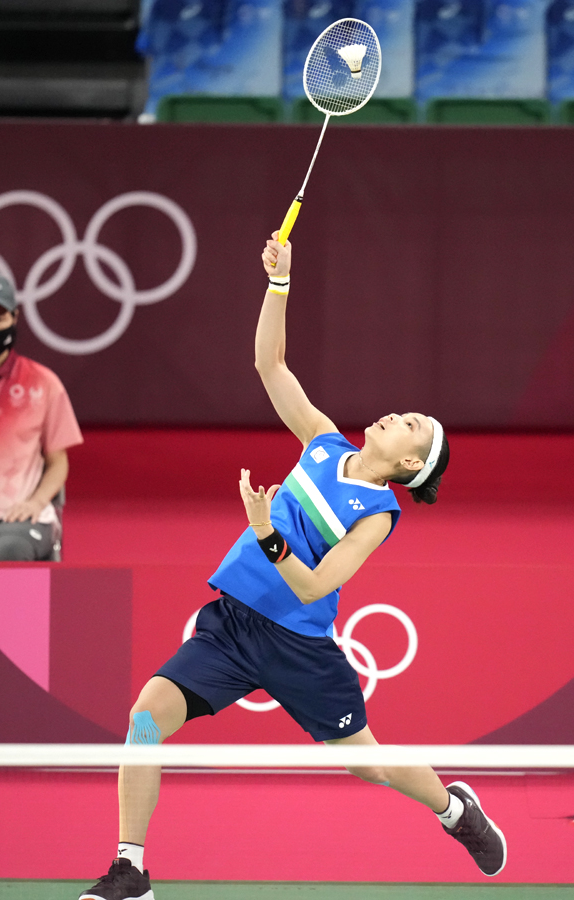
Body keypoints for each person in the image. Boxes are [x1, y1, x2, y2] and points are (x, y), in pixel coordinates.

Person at [80, 234, 505, 900]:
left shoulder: (375, 515)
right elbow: (268, 363)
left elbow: (314, 584)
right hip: (230, 625)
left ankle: (454, 809)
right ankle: (130, 869)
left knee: (370, 766)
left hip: (298, 647)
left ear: (404, 466)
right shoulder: (323, 441)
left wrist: (265, 532)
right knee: (144, 716)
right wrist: (279, 283)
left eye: (411, 427)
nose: (399, 416)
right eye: (406, 415)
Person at [0, 272, 83, 561]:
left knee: (10, 551)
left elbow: (58, 462)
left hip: (19, 513)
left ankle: (19, 610)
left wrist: (36, 502)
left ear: (14, 317)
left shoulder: (43, 382)